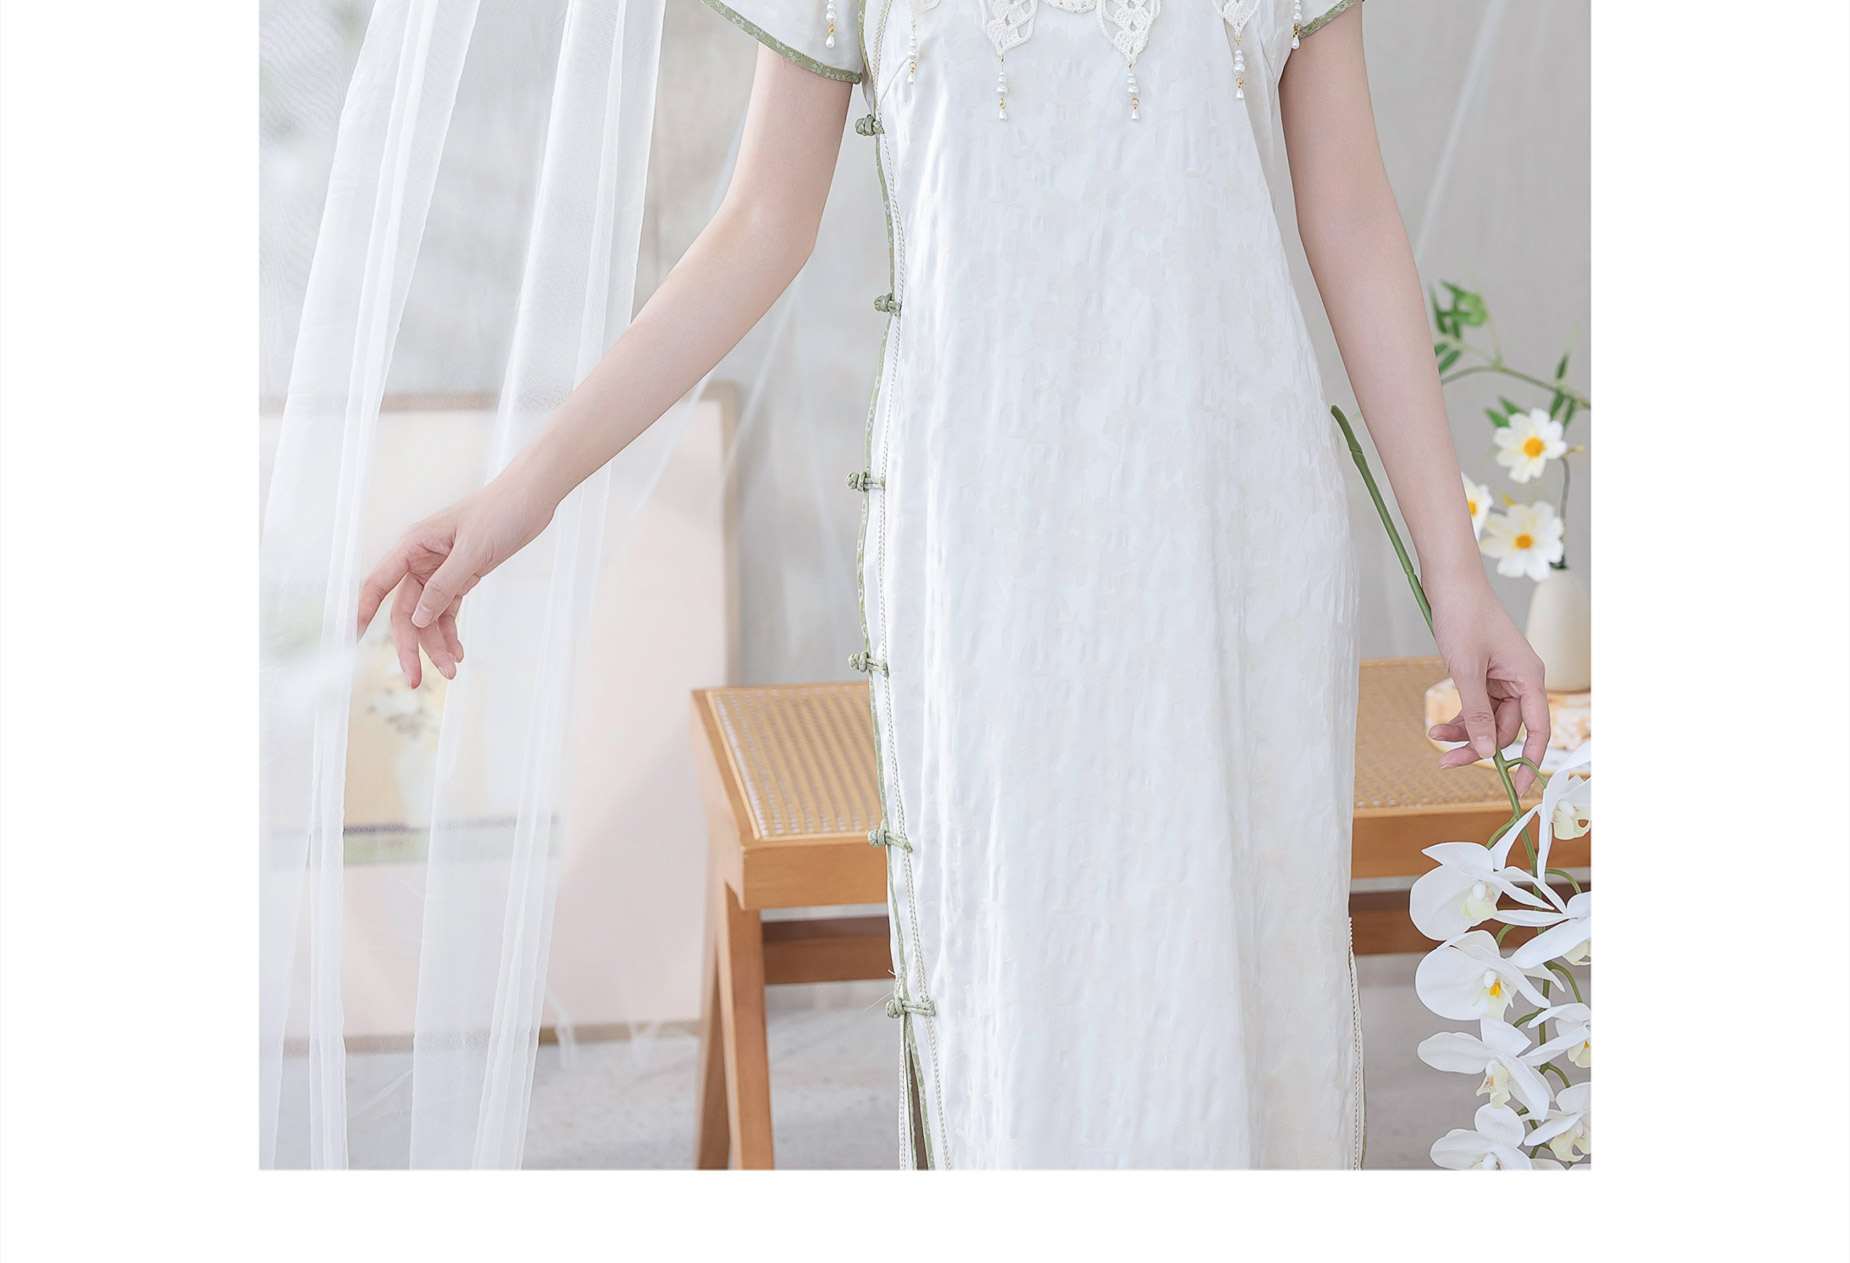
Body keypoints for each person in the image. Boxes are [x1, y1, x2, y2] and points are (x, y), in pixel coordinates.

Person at [356, 0, 1549, 1168]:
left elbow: (1350, 217)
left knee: (1222, 996)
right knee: (1023, 1005)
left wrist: (1454, 574)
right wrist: (524, 490)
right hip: (989, 556)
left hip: (1230, 537)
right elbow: (760, 222)